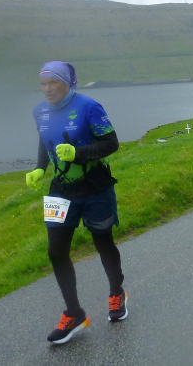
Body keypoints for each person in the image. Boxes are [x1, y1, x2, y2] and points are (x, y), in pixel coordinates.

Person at [25, 61, 127, 345]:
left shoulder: (88, 107)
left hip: (95, 188)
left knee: (103, 241)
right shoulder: (40, 111)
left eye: (53, 83)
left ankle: (117, 292)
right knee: (56, 252)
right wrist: (39, 168)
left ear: (69, 84)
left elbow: (111, 143)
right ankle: (74, 314)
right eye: (43, 84)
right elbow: (45, 141)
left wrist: (78, 154)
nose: (47, 89)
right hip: (60, 191)